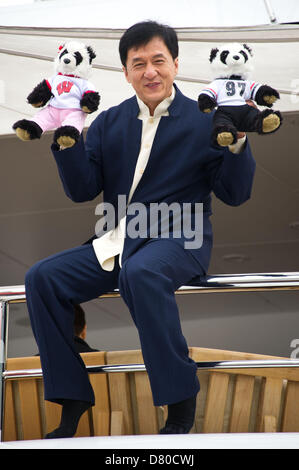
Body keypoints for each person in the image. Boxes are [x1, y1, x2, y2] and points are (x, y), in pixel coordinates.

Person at [24, 21, 256, 438]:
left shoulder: (208, 120)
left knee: (142, 271)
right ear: (126, 72)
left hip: (178, 240)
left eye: (158, 61)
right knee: (42, 277)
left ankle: (180, 401)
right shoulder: (110, 122)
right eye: (138, 63)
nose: (150, 71)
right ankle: (72, 393)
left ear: (175, 65)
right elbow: (81, 190)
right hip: (117, 241)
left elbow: (236, 194)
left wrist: (238, 141)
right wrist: (69, 139)